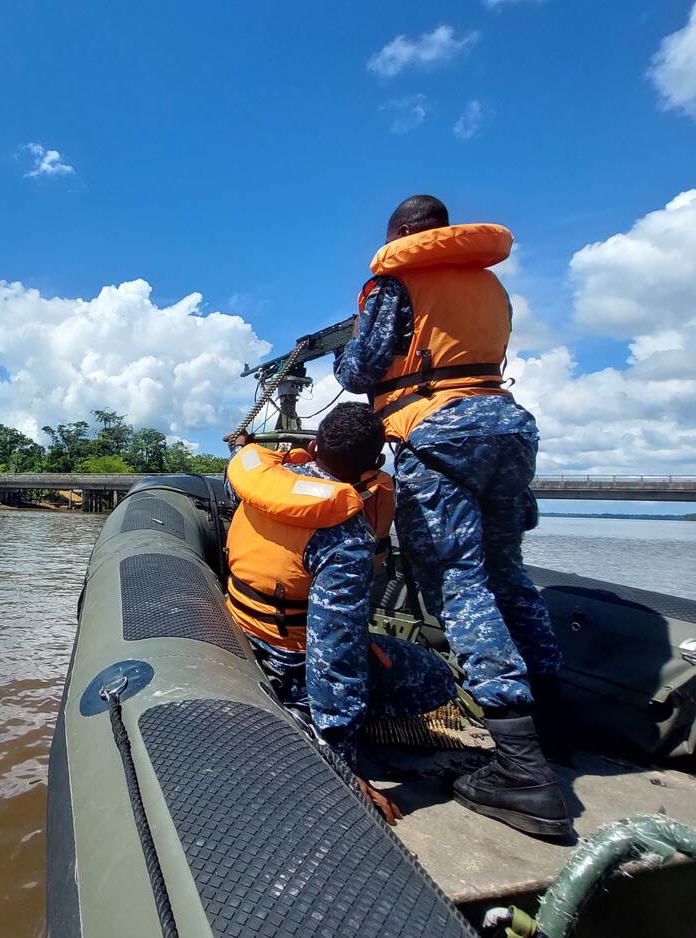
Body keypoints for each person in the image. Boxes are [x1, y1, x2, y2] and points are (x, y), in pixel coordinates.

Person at [333, 194, 571, 840]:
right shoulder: (491, 286)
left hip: (440, 432)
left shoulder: (395, 281)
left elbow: (361, 370)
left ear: (406, 233)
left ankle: (521, 769)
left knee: (458, 582)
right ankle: (553, 725)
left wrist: (346, 352)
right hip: (508, 429)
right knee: (507, 574)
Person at [226, 402, 456, 826]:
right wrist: (342, 763)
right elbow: (334, 650)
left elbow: (241, 466)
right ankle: (303, 718)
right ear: (375, 465)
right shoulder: (345, 536)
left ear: (314, 446)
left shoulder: (259, 484)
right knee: (436, 678)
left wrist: (245, 445)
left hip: (241, 628)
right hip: (289, 658)